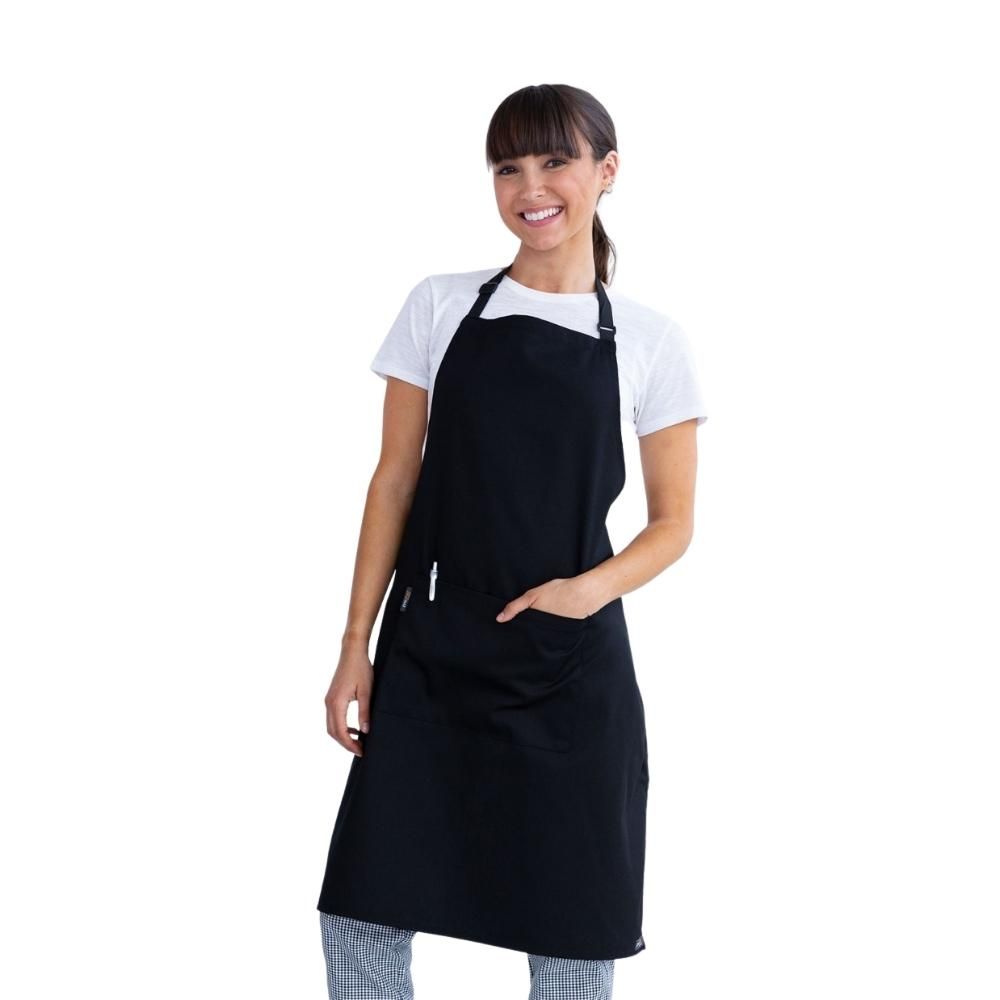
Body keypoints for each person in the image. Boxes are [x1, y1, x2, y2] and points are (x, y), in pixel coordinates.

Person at [316, 83, 708, 1000]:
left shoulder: (649, 341)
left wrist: (584, 592)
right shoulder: (440, 304)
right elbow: (394, 481)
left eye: (555, 161)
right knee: (363, 908)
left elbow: (674, 523)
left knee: (572, 934)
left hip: (567, 672)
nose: (531, 187)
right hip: (430, 654)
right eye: (508, 167)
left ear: (606, 172)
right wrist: (355, 646)